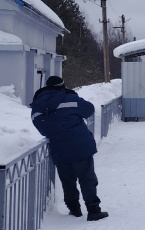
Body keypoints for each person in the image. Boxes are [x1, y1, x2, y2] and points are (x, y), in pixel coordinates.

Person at [30, 76, 109, 221]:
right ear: (62, 86)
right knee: (87, 178)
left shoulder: (37, 106)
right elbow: (89, 110)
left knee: (67, 181)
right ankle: (93, 210)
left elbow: (41, 128)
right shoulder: (70, 98)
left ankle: (74, 210)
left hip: (58, 148)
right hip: (80, 145)